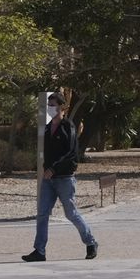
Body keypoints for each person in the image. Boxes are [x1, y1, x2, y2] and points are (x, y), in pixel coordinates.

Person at [22, 91, 98, 262]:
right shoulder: (47, 128)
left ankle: (90, 242)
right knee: (42, 213)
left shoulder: (68, 126)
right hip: (48, 180)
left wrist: (54, 168)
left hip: (64, 178)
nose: (50, 108)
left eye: (53, 105)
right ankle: (39, 251)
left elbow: (71, 153)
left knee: (71, 214)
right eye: (48, 106)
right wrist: (44, 168)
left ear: (62, 107)